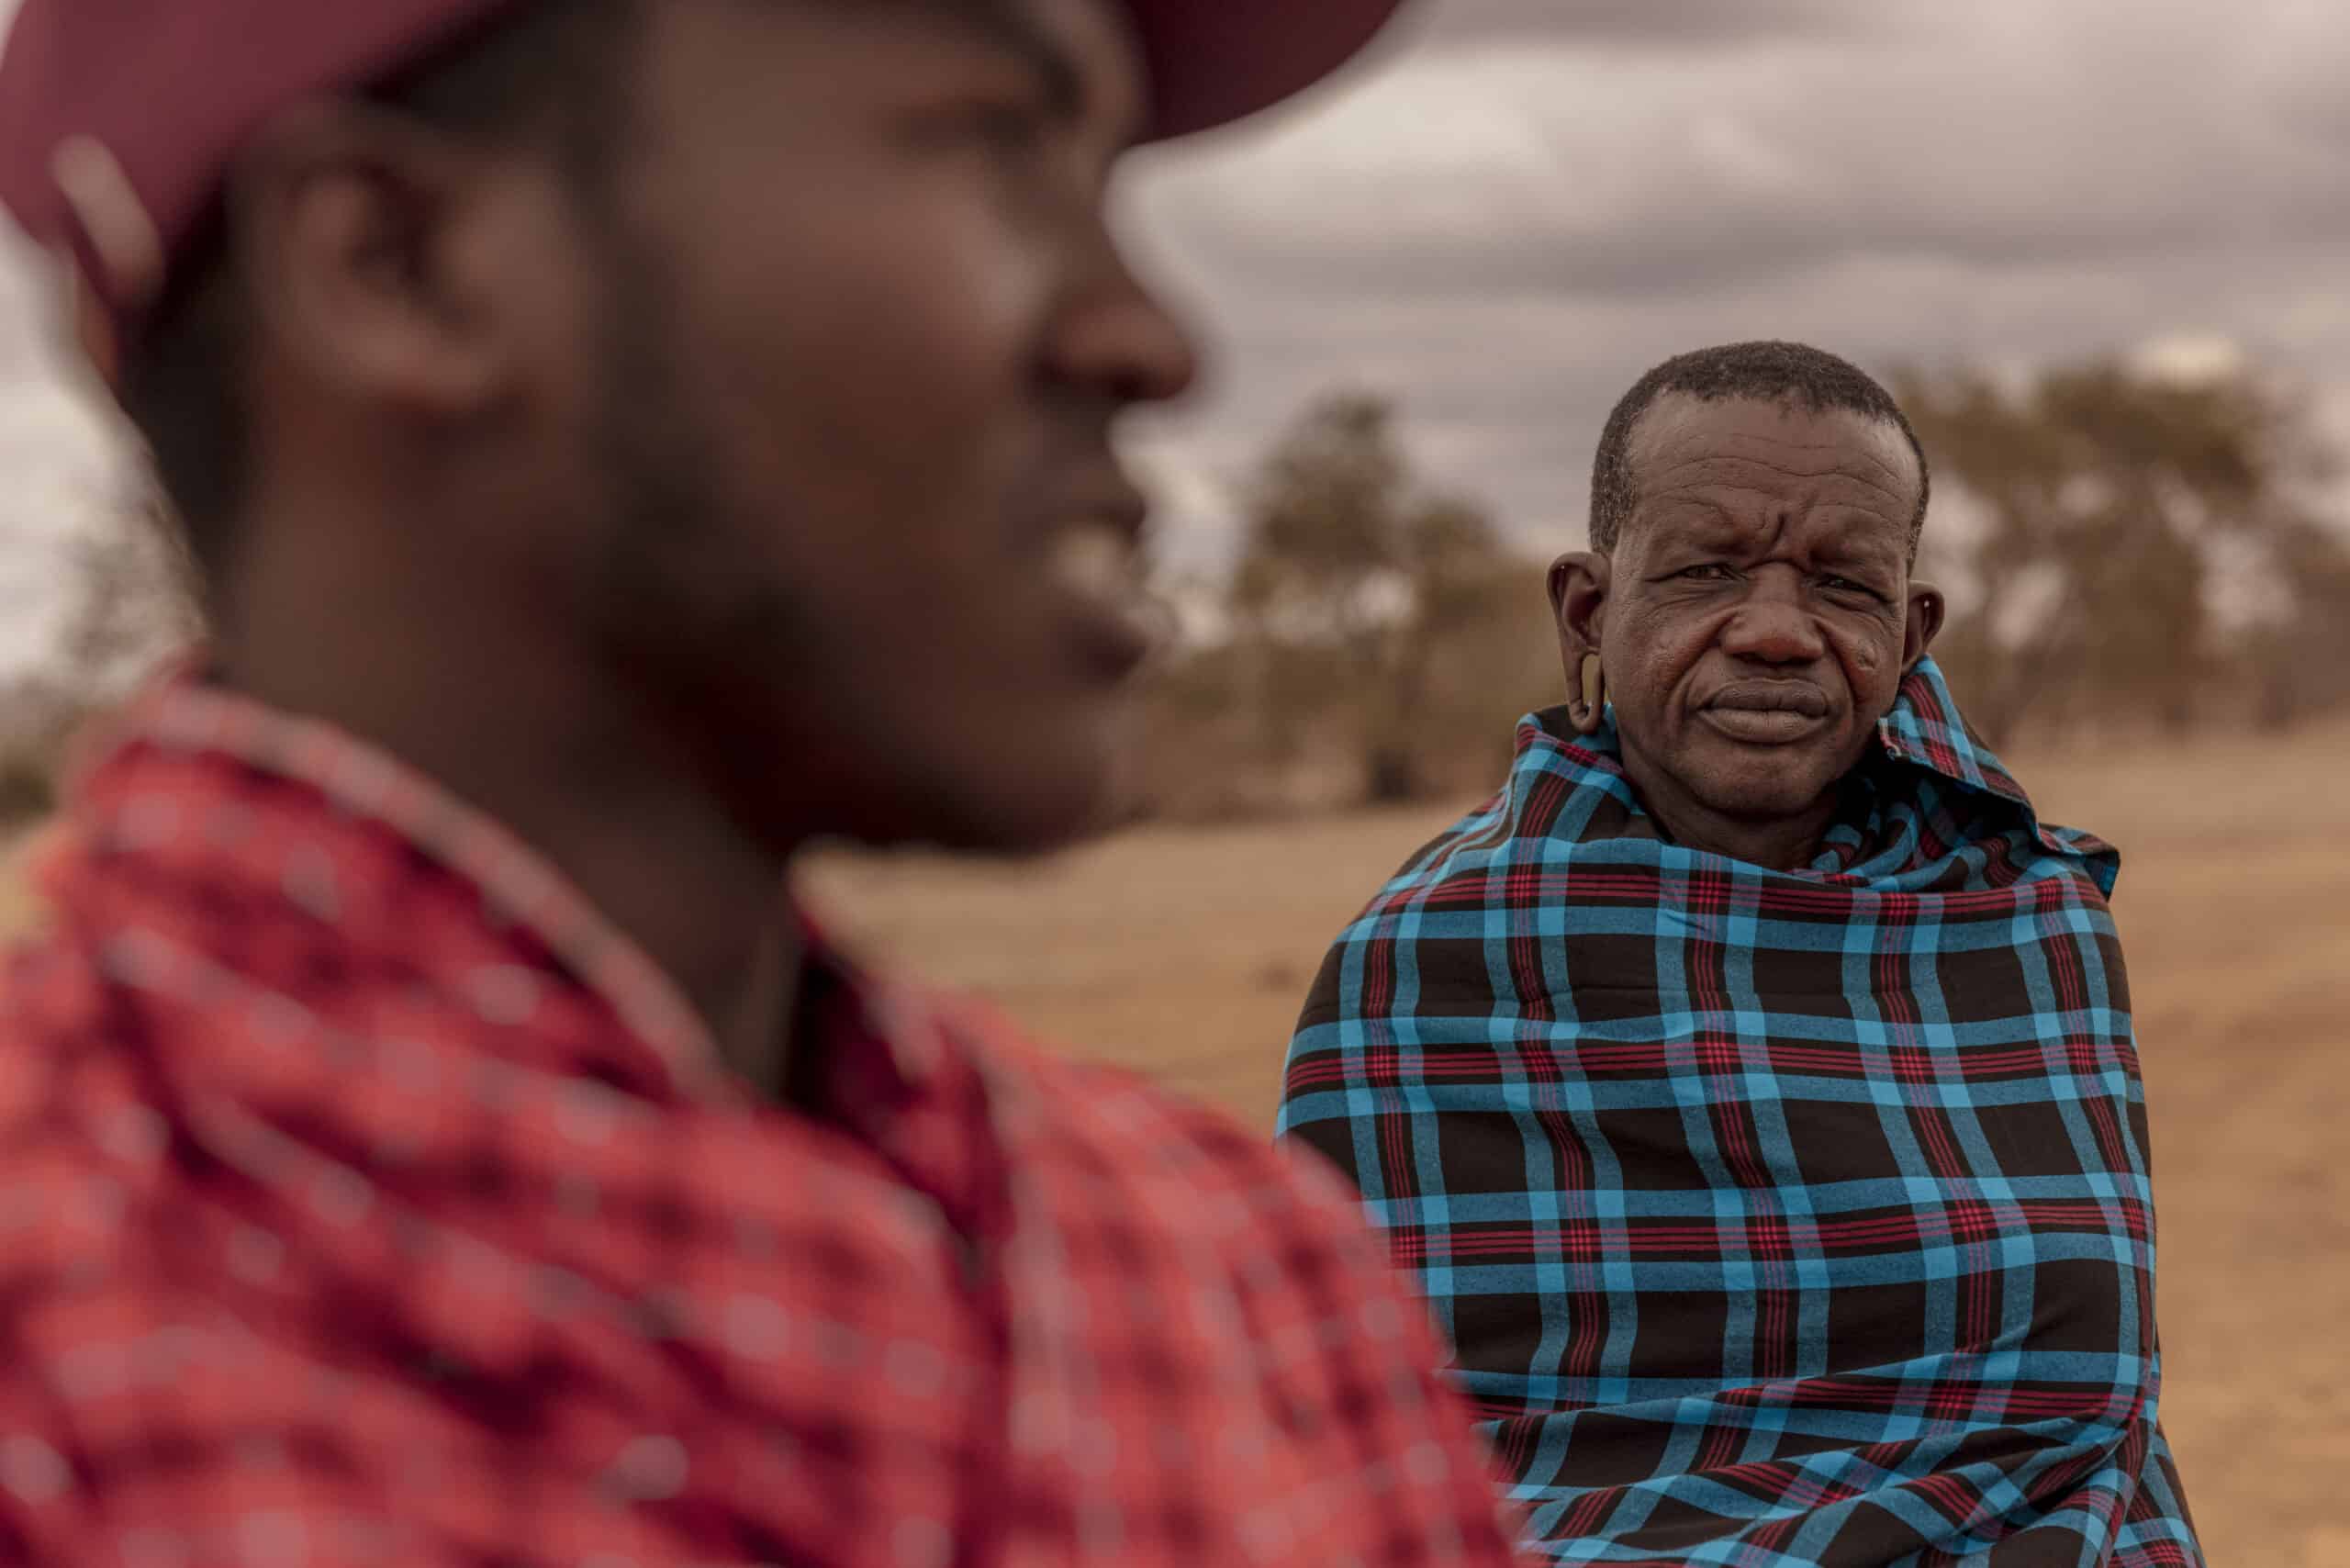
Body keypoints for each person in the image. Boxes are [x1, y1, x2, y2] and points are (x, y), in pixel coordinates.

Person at [0, 2, 1535, 1563]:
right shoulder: (49, 1356)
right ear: (397, 262)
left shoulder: (1247, 1280)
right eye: (996, 143)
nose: (1151, 340)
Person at [1277, 342, 2202, 1566]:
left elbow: (2085, 1417)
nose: (1775, 632)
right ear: (1589, 611)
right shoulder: (1429, 967)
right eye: (1708, 569)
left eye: (1843, 585)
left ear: (1911, 631)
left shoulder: (2028, 928)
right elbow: (1363, 1459)